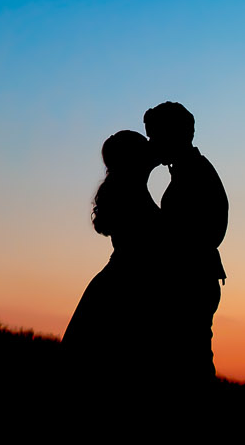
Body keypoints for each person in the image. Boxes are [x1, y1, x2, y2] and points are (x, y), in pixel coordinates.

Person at [63, 129, 173, 386]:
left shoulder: (131, 189)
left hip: (121, 286)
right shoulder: (130, 194)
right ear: (134, 159)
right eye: (143, 145)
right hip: (125, 291)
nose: (151, 147)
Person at [144, 100, 228, 387]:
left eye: (154, 135)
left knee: (191, 369)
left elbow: (207, 231)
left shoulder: (195, 174)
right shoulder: (190, 171)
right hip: (192, 280)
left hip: (190, 283)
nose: (151, 142)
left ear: (172, 134)